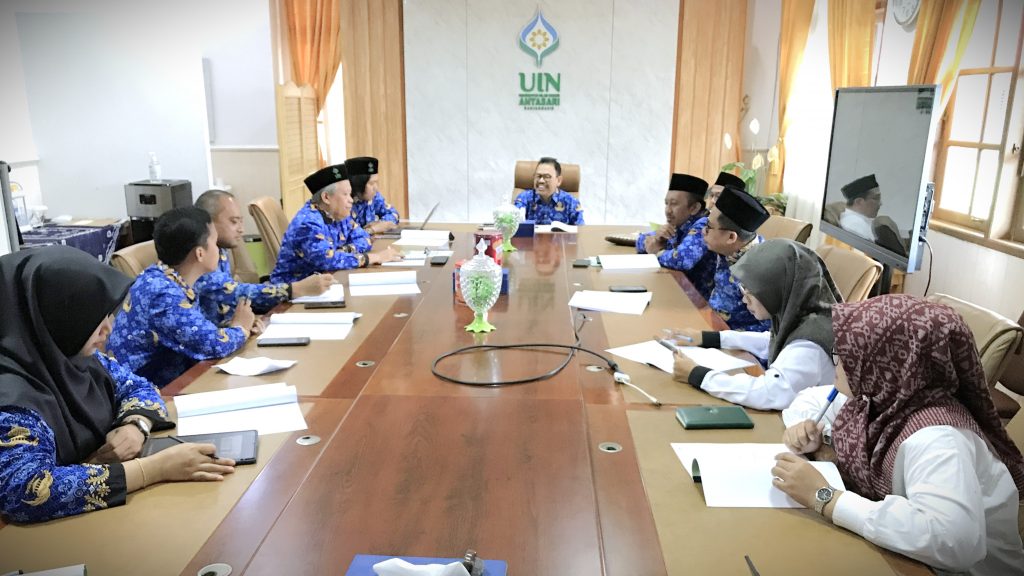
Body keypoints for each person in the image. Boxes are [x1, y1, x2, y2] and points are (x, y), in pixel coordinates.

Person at [773, 295, 1024, 576]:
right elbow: (805, 401)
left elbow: (954, 541)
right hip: (906, 556)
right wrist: (814, 435)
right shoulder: (883, 399)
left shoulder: (938, 438)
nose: (838, 363)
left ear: (886, 362)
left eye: (848, 355)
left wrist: (826, 497)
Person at [0, 246, 235, 524]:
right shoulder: (11, 396)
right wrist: (152, 470)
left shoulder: (74, 356)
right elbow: (29, 490)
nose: (108, 328)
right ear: (55, 316)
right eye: (92, 318)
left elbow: (140, 387)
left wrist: (135, 425)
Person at [670, 239, 841, 409]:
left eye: (750, 292)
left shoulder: (809, 344)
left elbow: (769, 393)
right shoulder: (801, 313)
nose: (744, 299)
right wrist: (709, 337)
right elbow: (771, 340)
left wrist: (698, 375)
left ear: (776, 290)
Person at [107, 207, 260, 388]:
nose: (219, 250)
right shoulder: (161, 293)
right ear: (200, 253)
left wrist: (233, 325)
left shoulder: (173, 279)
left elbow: (197, 329)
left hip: (176, 381)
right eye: (214, 243)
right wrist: (241, 328)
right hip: (148, 394)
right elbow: (213, 345)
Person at [194, 189, 334, 325]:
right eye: (233, 221)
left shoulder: (219, 249)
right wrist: (294, 289)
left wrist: (239, 324)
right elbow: (230, 292)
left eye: (240, 221)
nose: (241, 229)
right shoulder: (197, 257)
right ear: (208, 223)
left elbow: (225, 304)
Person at [271, 164, 402, 284]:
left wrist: (343, 251)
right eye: (345, 194)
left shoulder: (339, 215)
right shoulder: (307, 223)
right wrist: (373, 257)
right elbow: (328, 260)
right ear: (326, 198)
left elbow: (364, 239)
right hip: (293, 295)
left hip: (325, 284)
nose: (351, 200)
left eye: (350, 194)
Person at [702, 186, 772, 332]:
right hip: (711, 322)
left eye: (708, 227)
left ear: (731, 237)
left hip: (735, 343)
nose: (703, 231)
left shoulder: (760, 271)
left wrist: (723, 340)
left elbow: (768, 334)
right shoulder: (728, 250)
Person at [636, 173, 716, 298]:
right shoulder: (679, 223)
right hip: (678, 291)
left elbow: (682, 260)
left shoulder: (704, 224)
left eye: (674, 204)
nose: (668, 210)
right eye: (666, 203)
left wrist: (657, 251)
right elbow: (641, 240)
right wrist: (657, 238)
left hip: (698, 302)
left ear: (694, 208)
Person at [514, 157, 584, 225]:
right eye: (538, 176)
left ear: (558, 181)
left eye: (546, 177)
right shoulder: (524, 198)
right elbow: (512, 224)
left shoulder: (571, 202)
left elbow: (581, 231)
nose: (541, 181)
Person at [346, 156, 400, 235]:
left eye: (376, 182)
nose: (376, 188)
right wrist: (372, 229)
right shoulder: (344, 202)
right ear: (358, 184)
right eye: (371, 183)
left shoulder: (374, 197)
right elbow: (349, 237)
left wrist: (381, 223)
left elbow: (393, 213)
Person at [838, 174, 881, 241]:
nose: (880, 203)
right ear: (859, 202)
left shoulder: (856, 221)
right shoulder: (856, 225)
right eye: (876, 198)